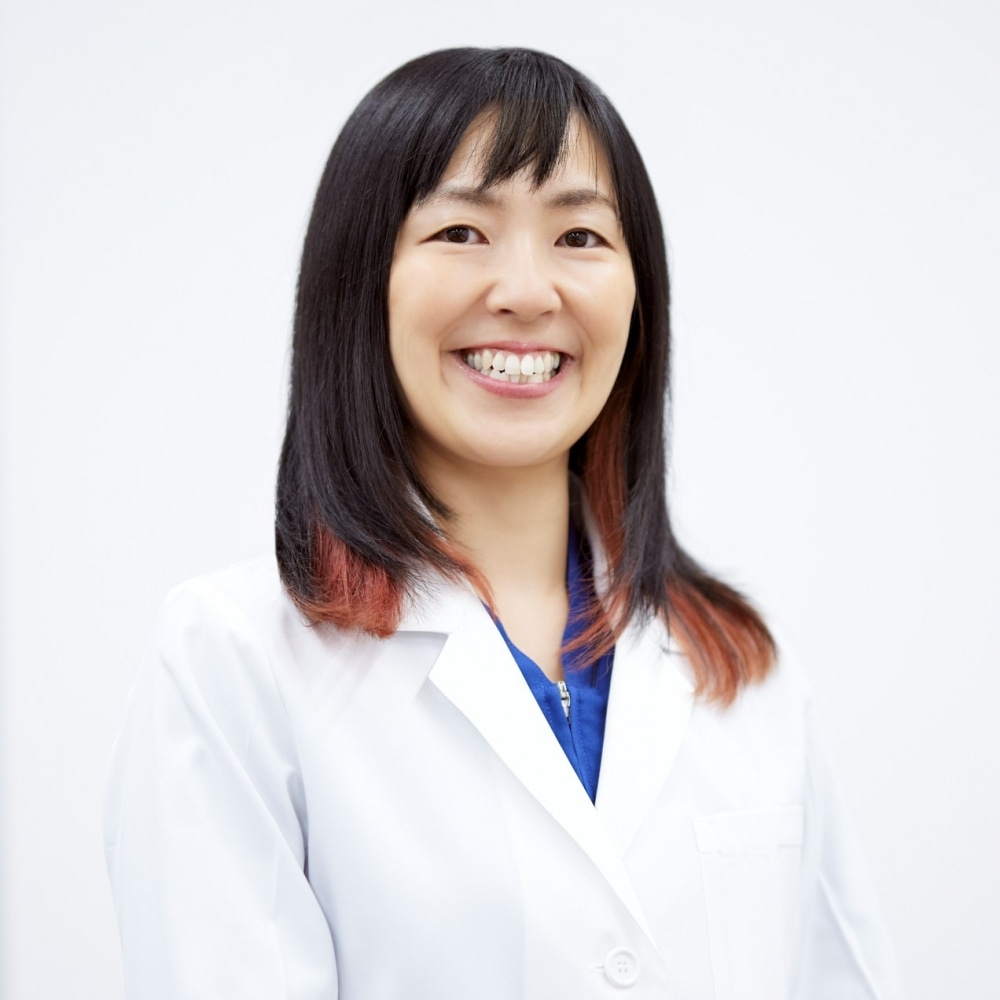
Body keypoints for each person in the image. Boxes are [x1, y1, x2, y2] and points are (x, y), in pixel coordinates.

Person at [103, 47, 903, 999]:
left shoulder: (741, 664)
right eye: (461, 232)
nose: (527, 290)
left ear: (640, 295)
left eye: (580, 236)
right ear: (362, 282)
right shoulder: (236, 662)